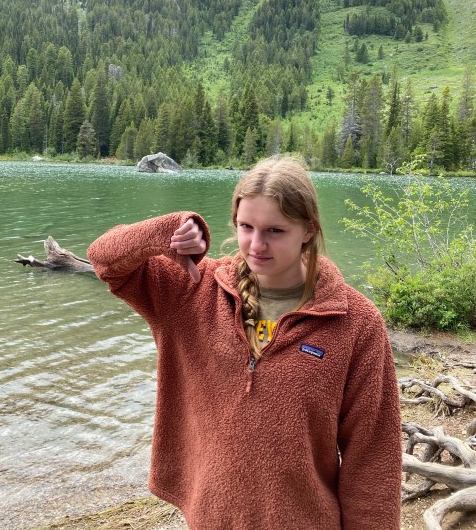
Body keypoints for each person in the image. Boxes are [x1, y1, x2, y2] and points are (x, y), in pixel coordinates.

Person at [87, 155, 402, 530]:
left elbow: (373, 455)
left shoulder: (355, 322)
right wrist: (167, 233)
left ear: (308, 230)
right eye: (246, 226)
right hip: (210, 517)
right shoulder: (191, 289)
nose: (256, 244)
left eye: (275, 231)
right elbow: (104, 259)